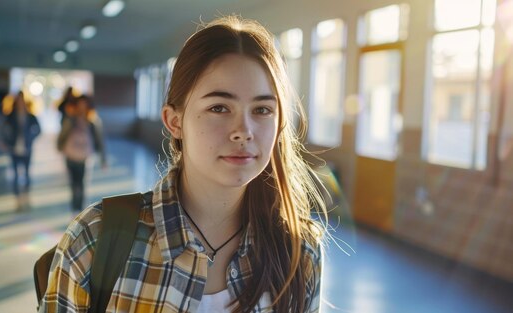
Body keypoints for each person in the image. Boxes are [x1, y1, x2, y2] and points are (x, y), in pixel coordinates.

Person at [40, 15, 327, 313]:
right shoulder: (96, 239)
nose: (244, 130)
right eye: (219, 107)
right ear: (174, 121)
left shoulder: (299, 252)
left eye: (263, 109)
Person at [57, 95, 107, 212]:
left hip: (85, 157)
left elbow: (100, 140)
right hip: (70, 156)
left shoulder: (93, 122)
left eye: (84, 105)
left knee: (82, 184)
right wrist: (60, 147)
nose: (82, 108)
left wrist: (103, 159)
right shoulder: (70, 120)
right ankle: (75, 208)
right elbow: (63, 134)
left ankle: (81, 209)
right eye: (79, 105)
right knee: (74, 183)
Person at [1, 90, 41, 206]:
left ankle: (26, 196)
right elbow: (4, 130)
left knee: (27, 173)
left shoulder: (30, 116)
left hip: (27, 149)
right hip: (14, 149)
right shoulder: (10, 116)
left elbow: (38, 129)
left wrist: (31, 138)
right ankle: (17, 199)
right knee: (15, 174)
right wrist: (7, 142)